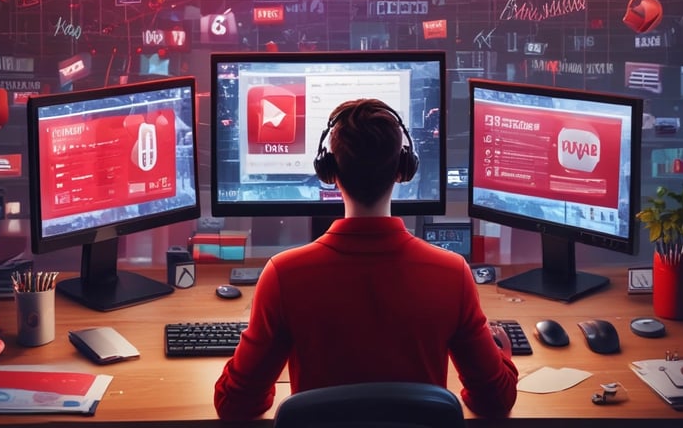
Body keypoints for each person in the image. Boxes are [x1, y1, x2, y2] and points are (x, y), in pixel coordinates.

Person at [214, 98, 518, 420]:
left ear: (328, 171)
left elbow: (236, 405)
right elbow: (495, 401)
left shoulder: (283, 276)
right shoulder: (451, 273)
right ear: (403, 170)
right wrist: (504, 355)